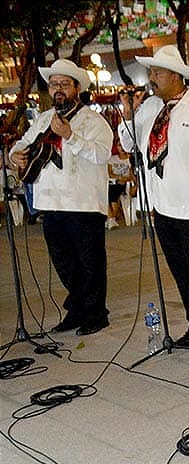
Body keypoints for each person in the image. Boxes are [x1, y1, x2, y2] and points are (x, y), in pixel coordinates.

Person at [118, 45, 189, 361]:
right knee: (180, 272)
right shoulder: (151, 108)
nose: (151, 78)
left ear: (175, 76)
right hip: (163, 207)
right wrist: (129, 113)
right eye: (151, 72)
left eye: (157, 72)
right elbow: (128, 143)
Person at [10, 59, 113, 336]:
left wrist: (70, 136)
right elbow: (23, 143)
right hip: (51, 203)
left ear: (77, 88)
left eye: (64, 84)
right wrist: (15, 154)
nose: (58, 89)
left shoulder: (93, 121)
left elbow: (102, 154)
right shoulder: (44, 119)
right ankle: (77, 310)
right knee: (65, 263)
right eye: (54, 84)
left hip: (83, 204)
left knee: (90, 263)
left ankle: (96, 314)